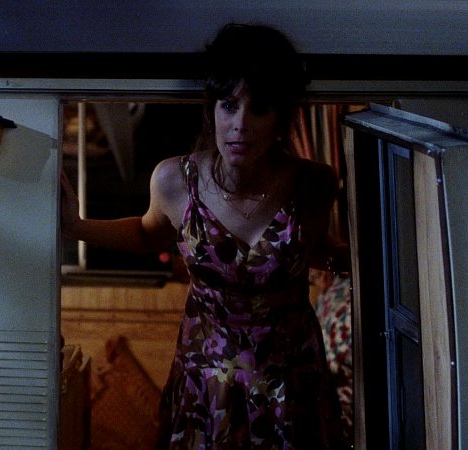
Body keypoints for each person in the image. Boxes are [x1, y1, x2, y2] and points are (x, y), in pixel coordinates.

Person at [61, 23, 348, 449]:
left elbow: (316, 248)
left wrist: (369, 262)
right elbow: (146, 234)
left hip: (289, 383)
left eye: (259, 109)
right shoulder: (175, 181)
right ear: (212, 109)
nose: (240, 124)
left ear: (281, 119)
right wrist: (76, 226)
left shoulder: (314, 184)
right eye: (229, 106)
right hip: (208, 386)